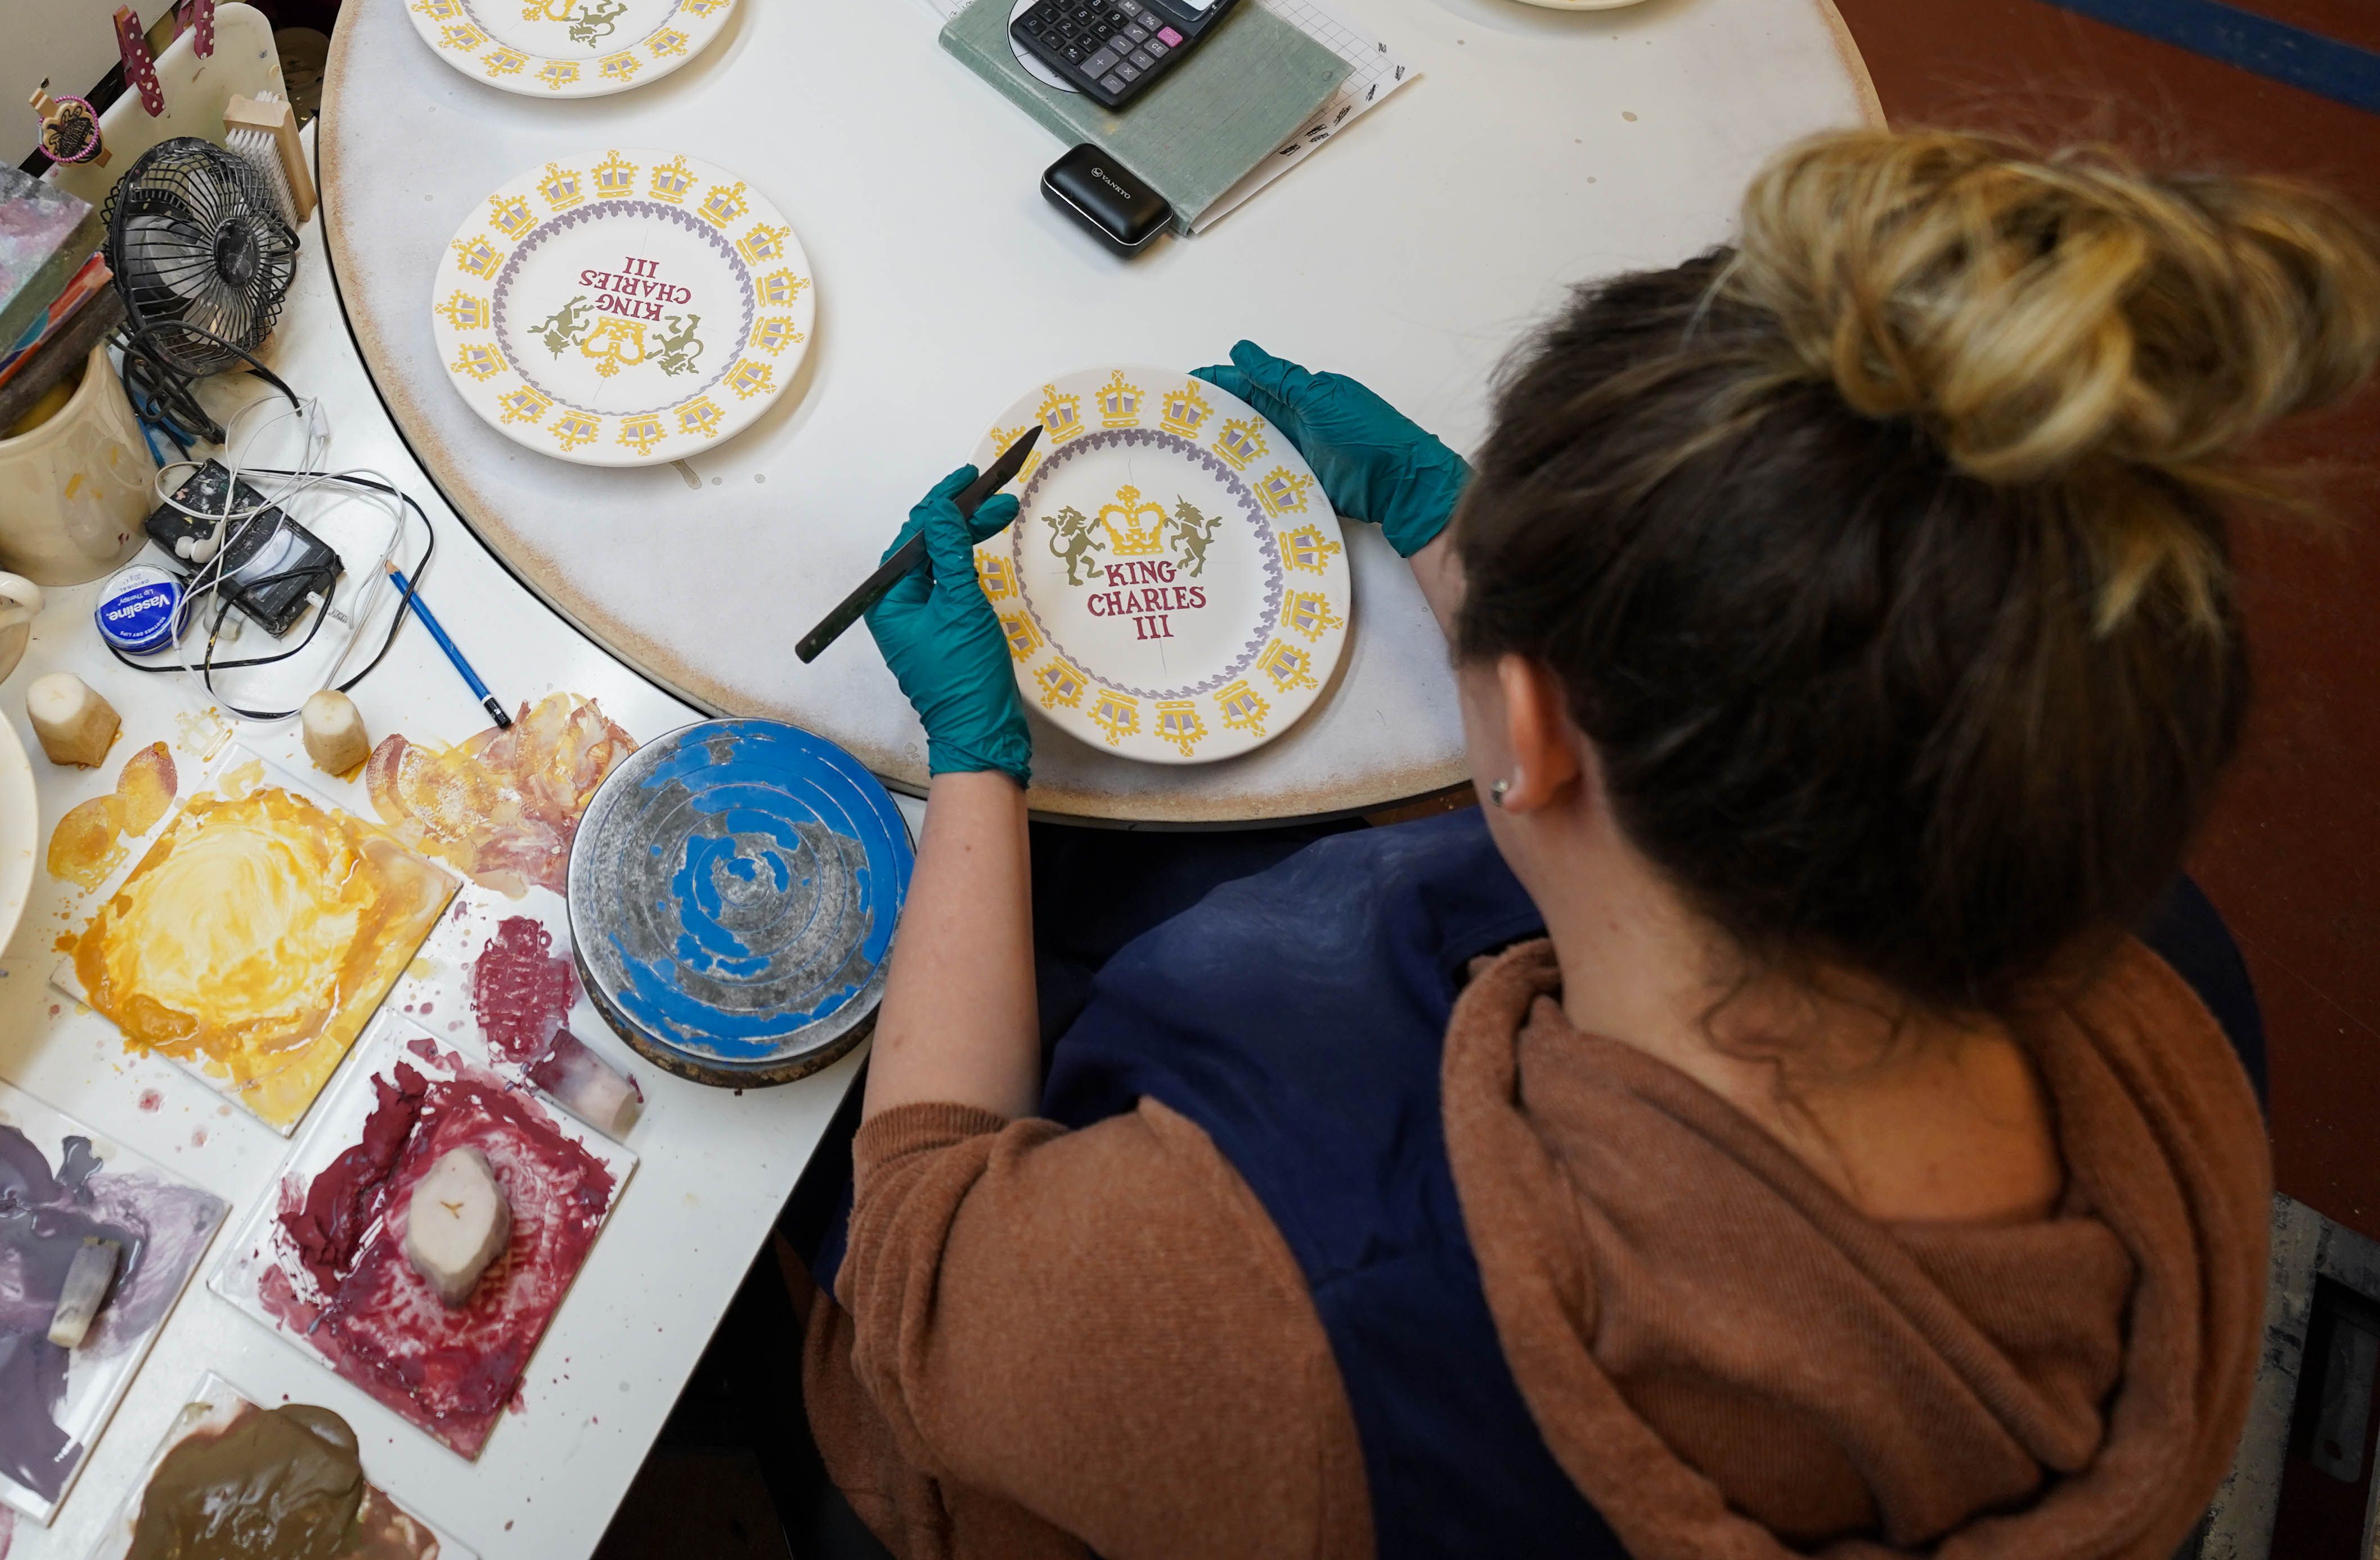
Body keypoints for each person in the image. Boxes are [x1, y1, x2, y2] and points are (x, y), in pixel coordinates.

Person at [808, 129, 2380, 1558]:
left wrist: (975, 761)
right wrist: (1447, 532)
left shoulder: (1281, 1299)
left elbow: (920, 1267)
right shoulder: (2166, 980)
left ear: (1544, 734)